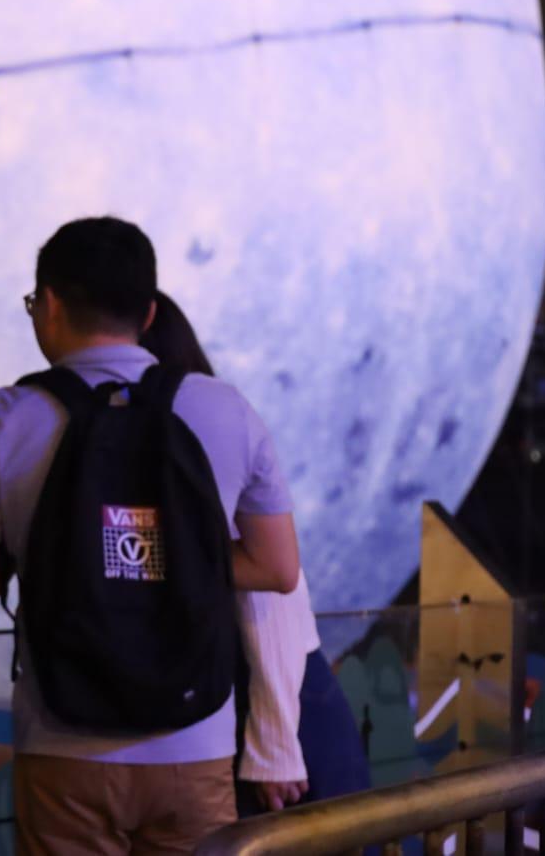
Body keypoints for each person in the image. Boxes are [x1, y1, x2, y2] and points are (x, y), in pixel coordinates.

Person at [0, 217, 300, 856]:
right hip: (196, 739)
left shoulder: (3, 418)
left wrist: (55, 559)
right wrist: (177, 557)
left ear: (48, 304)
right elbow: (277, 569)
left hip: (62, 742)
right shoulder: (226, 409)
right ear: (149, 310)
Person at [138, 292, 370, 816]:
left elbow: (273, 595)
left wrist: (274, 746)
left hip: (278, 703)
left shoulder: (197, 431)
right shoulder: (195, 426)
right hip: (253, 700)